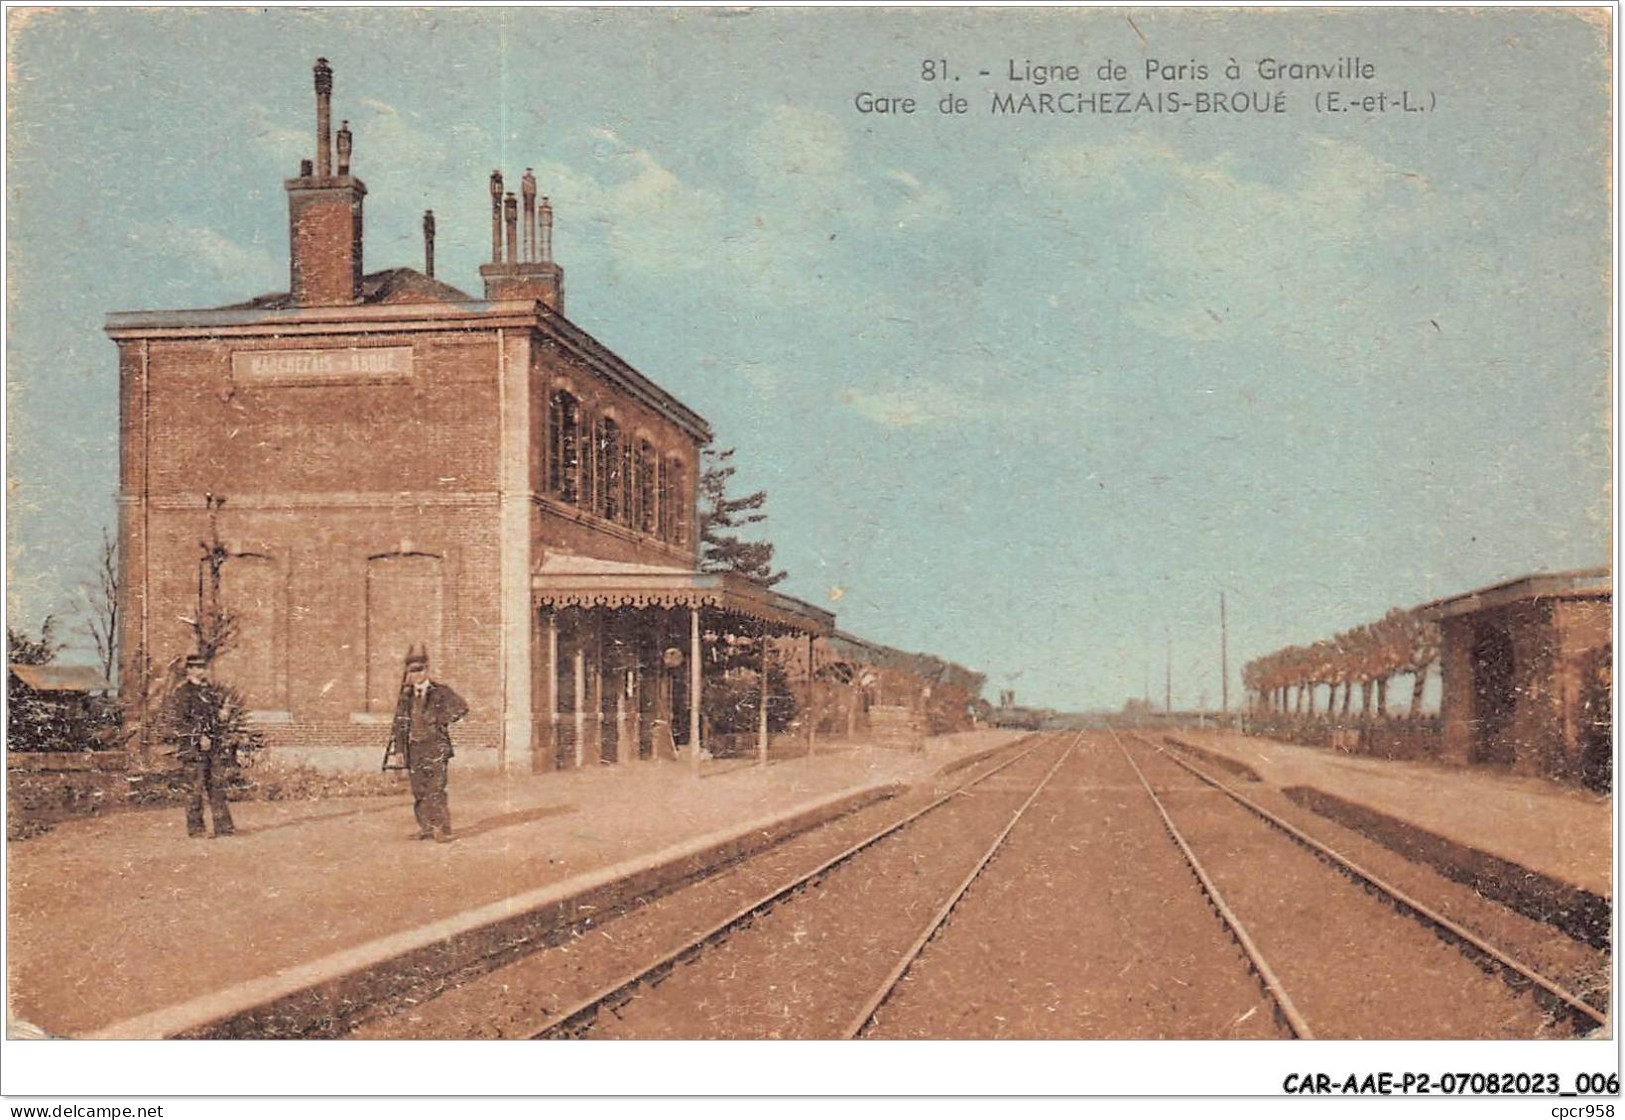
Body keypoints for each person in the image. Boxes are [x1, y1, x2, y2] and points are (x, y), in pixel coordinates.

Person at [387, 647, 468, 842]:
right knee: (419, 789)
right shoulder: (406, 696)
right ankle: (425, 828)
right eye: (412, 672)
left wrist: (441, 719)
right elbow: (399, 724)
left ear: (426, 670)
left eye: (419, 671)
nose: (416, 675)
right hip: (415, 748)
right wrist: (399, 750)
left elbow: (462, 708)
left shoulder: (441, 691)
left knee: (436, 788)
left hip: (436, 747)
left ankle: (441, 829)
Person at [162, 653, 235, 838]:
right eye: (199, 667)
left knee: (217, 786)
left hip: (213, 747)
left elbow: (215, 721)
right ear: (190, 670)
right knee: (195, 789)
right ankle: (196, 829)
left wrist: (222, 716)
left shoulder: (210, 692)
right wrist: (199, 735)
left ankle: (223, 827)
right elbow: (178, 722)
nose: (203, 671)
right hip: (193, 749)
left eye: (204, 667)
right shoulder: (182, 693)